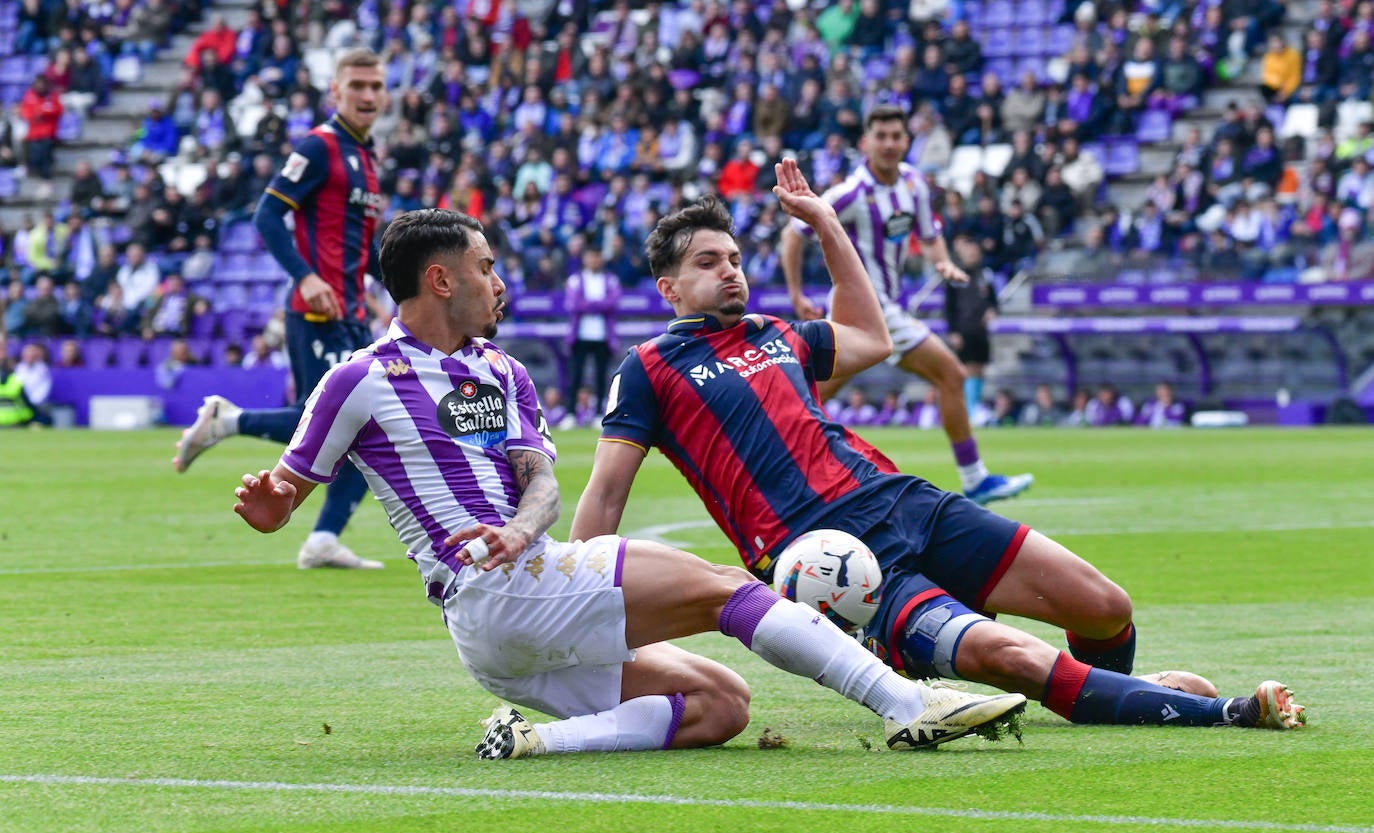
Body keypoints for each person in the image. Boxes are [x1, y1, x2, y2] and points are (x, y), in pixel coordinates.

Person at [231, 206, 1028, 761]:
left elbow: (539, 480)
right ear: (441, 281)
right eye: (485, 266)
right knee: (724, 585)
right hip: (491, 596)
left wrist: (523, 527)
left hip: (514, 604)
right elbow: (287, 494)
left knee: (721, 705)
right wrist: (271, 508)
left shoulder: (503, 371)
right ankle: (906, 704)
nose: (499, 280)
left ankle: (537, 739)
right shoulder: (358, 379)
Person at [573, 175, 1304, 733]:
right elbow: (606, 495)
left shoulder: (776, 332)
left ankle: (1124, 694)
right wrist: (575, 602)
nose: (730, 270)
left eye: (734, 257)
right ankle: (1230, 713)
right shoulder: (648, 368)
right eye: (708, 262)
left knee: (1106, 606)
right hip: (829, 558)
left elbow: (870, 336)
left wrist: (827, 222)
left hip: (903, 499)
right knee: (1010, 657)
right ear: (669, 288)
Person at [174, 49, 390, 571]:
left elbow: (359, 245)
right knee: (330, 417)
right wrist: (307, 276)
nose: (367, 95)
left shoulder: (368, 156)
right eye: (356, 84)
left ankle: (323, 540)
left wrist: (386, 293)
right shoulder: (319, 147)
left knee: (367, 423)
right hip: (315, 311)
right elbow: (268, 215)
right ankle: (228, 420)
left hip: (351, 311)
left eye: (375, 86)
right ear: (335, 91)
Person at [780, 106, 1032, 506]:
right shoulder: (850, 194)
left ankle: (775, 469)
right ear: (865, 143)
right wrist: (795, 294)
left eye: (896, 135)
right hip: (867, 309)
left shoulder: (913, 183)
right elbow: (793, 234)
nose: (889, 143)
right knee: (951, 373)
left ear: (907, 141)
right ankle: (975, 479)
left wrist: (942, 262)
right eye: (881, 136)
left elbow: (930, 236)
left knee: (808, 398)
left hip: (885, 311)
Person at [943, 235, 999, 419]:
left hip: (980, 330)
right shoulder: (955, 276)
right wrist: (953, 331)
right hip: (963, 329)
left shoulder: (986, 276)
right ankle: (967, 409)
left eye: (975, 252)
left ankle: (973, 407)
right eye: (969, 252)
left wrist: (992, 310)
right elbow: (949, 307)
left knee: (979, 368)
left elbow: (994, 301)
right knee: (965, 369)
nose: (973, 255)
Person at [563, 244, 622, 413]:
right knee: (575, 375)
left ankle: (598, 413)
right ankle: (570, 413)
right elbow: (574, 304)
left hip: (603, 336)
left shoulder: (610, 280)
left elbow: (613, 303)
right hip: (580, 335)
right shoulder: (576, 280)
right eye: (591, 256)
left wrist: (588, 304)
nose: (594, 260)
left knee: (601, 376)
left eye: (597, 256)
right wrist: (598, 305)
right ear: (585, 259)